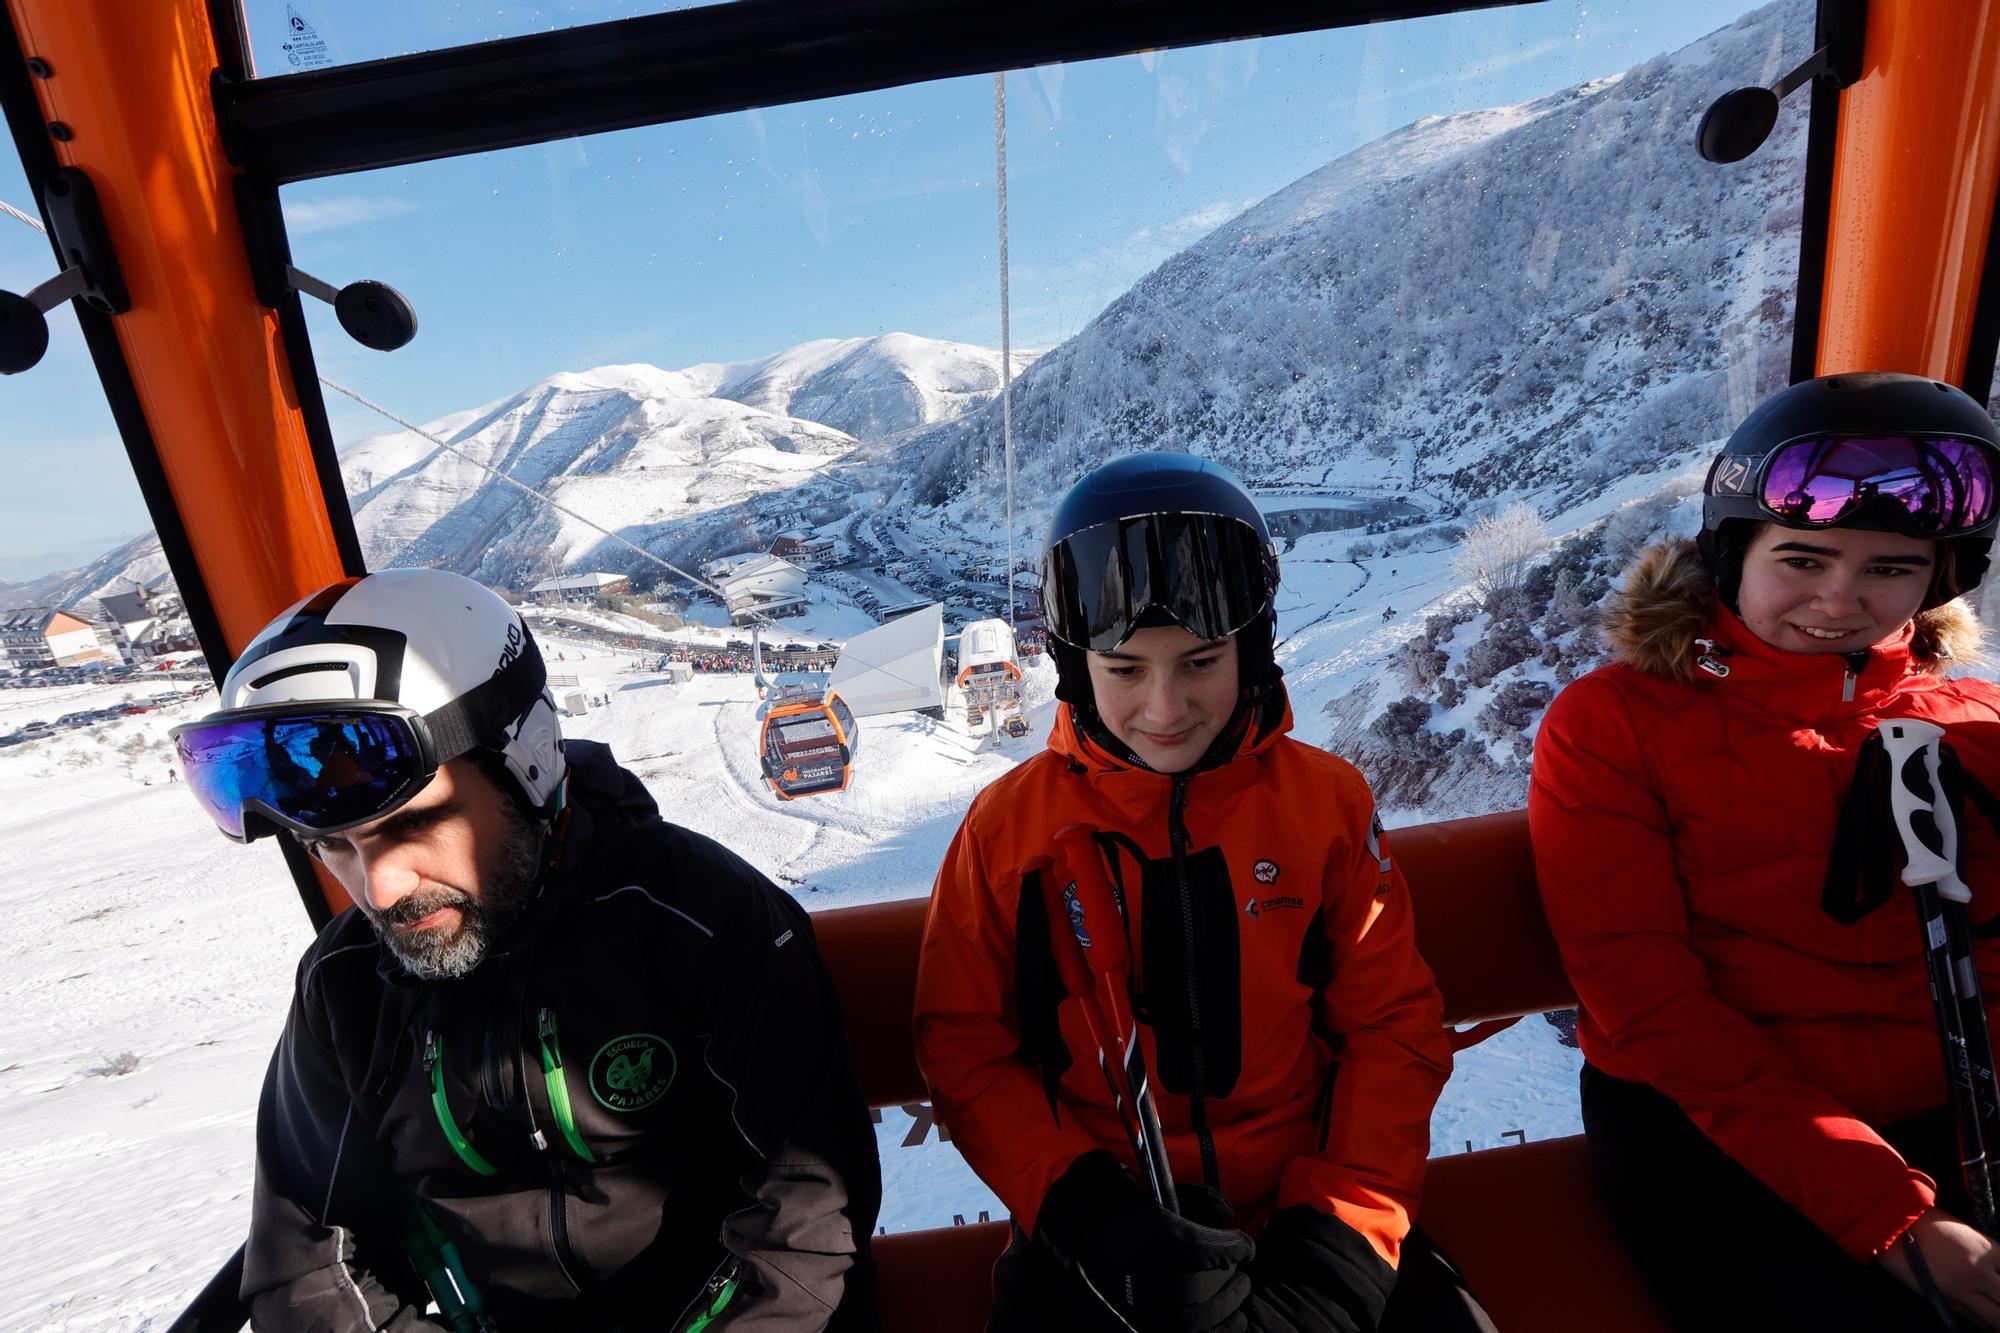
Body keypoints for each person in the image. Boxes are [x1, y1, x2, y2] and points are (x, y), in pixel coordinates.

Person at [172, 569, 879, 1332]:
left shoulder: (697, 918)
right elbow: (309, 1265)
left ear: (527, 764)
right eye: (331, 845)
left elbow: (807, 1210)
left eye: (413, 826)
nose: (377, 889)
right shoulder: (348, 988)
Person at [914, 453, 1492, 1333]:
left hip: (1307, 1205)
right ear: (1076, 667)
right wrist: (1081, 1209)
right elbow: (963, 1046)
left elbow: (1393, 1027)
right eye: (1125, 669)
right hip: (1105, 1221)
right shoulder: (1008, 833)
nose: (1165, 706)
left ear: (1250, 649)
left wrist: (1339, 1243)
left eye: (1200, 661)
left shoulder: (1324, 806)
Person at [1529, 371, 2000, 1332]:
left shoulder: (1976, 724)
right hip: (1710, 1129)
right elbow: (1652, 1004)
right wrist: (1889, 1214)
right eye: (1804, 557)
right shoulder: (1616, 724)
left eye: (1890, 567)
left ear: (1938, 576)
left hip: (1952, 1106)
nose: (1840, 600)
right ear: (1733, 551)